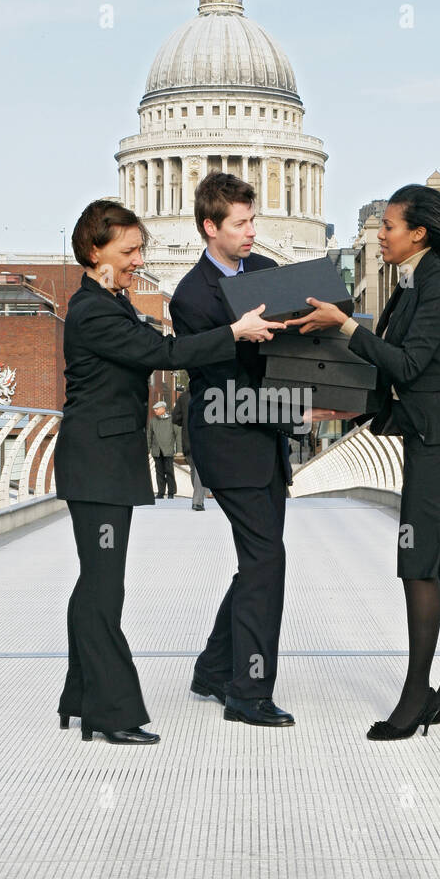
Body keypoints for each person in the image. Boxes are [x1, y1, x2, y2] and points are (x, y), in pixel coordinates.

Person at [53, 198, 280, 746]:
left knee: (95, 586)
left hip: (102, 461)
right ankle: (111, 711)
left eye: (139, 250)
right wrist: (234, 332)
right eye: (128, 251)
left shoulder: (109, 300)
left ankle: (80, 698)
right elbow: (163, 352)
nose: (138, 260)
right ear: (94, 249)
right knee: (104, 591)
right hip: (97, 464)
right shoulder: (93, 310)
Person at [286, 183, 440, 741]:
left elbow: (409, 363)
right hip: (435, 432)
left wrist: (346, 325)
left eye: (389, 227)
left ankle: (420, 690)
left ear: (418, 232)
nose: (381, 237)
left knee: (420, 559)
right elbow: (391, 378)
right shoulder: (415, 282)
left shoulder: (438, 283)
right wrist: (342, 409)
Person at [170, 172, 299, 727]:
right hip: (227, 439)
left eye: (253, 221)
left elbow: (295, 345)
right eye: (241, 223)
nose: (252, 232)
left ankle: (212, 668)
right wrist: (242, 334)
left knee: (258, 562)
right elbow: (214, 377)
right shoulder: (191, 296)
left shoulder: (269, 273)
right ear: (210, 227)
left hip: (269, 437)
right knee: (267, 559)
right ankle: (247, 692)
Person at [172, 386, 205, 510]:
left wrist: (185, 422)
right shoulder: (206, 393)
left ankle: (198, 498)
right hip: (203, 437)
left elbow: (175, 418)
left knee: (193, 469)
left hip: (187, 438)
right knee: (200, 470)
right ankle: (197, 501)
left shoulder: (183, 397)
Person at [148, 399, 177, 499]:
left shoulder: (171, 420)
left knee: (169, 471)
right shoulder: (153, 421)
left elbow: (178, 434)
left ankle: (171, 492)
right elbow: (149, 436)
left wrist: (180, 450)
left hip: (168, 450)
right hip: (156, 451)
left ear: (163, 409)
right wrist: (147, 449)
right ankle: (161, 492)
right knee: (159, 472)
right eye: (154, 409)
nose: (155, 410)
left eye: (157, 408)